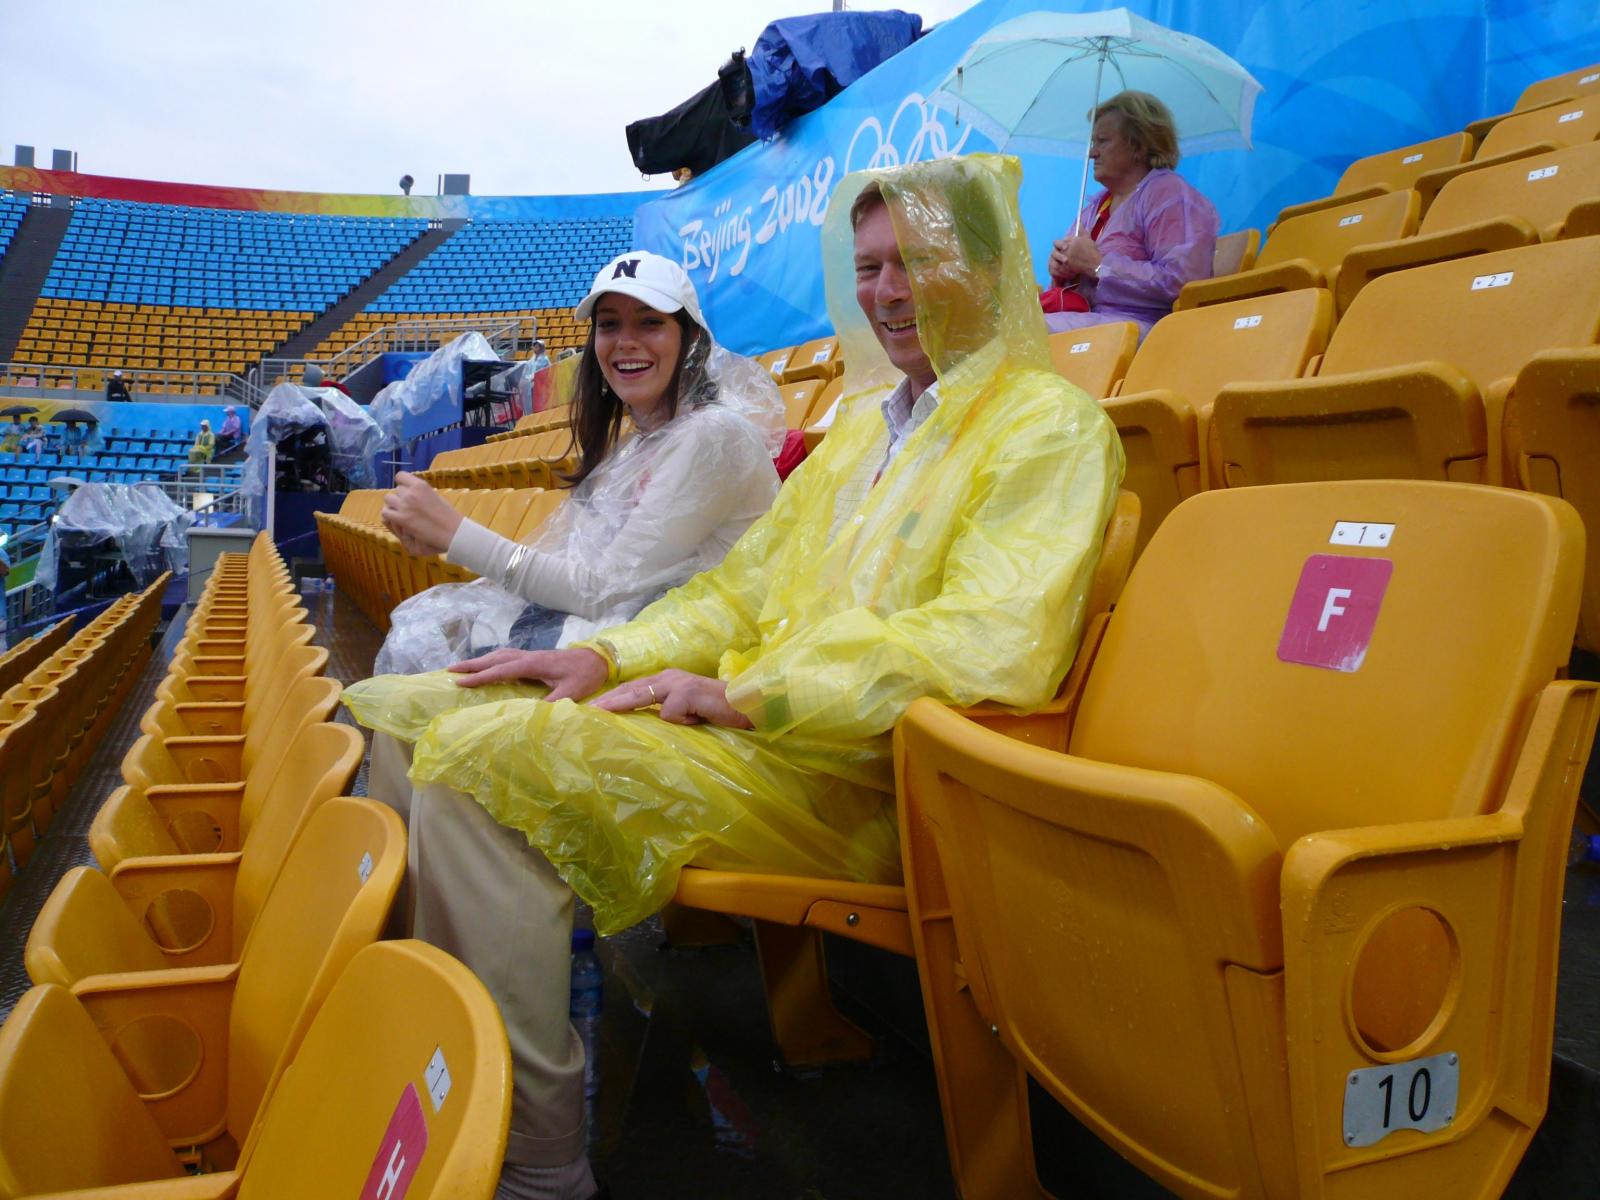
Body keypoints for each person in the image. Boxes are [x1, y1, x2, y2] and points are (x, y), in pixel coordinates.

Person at [344, 153, 1120, 1200]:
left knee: (469, 769)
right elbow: (740, 594)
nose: (885, 292)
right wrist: (605, 653)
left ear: (983, 266)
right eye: (869, 266)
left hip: (861, 777)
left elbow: (983, 646)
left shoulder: (1048, 428)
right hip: (760, 741)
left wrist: (750, 697)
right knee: (411, 713)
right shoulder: (862, 435)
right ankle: (418, 1044)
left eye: (913, 262)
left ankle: (532, 1155)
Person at [373, 252, 783, 676]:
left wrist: (453, 533)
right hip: (635, 646)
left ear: (690, 341)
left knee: (422, 685)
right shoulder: (631, 447)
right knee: (432, 642)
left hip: (689, 670)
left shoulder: (714, 436)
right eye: (608, 324)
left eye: (650, 322)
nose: (625, 340)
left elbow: (600, 589)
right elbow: (580, 569)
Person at [1040, 90, 1220, 338]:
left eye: (1102, 141)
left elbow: (1185, 284)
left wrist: (1097, 265)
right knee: (1008, 326)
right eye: (1093, 143)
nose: (1092, 152)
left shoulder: (1170, 195)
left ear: (1139, 146)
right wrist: (1062, 270)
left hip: (1147, 329)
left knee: (1029, 335)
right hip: (1089, 320)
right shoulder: (1095, 207)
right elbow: (1071, 288)